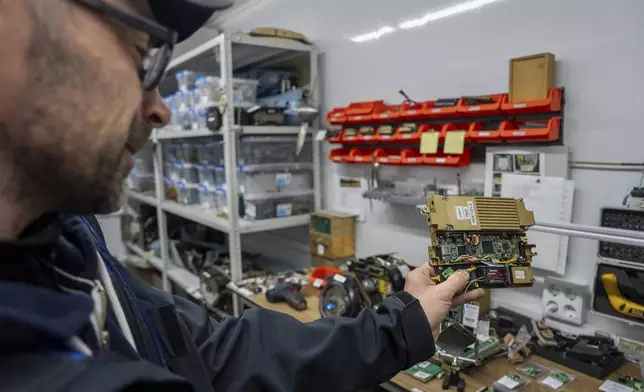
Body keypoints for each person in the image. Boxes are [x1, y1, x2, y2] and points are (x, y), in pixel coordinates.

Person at [0, 1, 485, 391]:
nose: (160, 110)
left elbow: (209, 352)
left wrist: (402, 324)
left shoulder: (64, 241)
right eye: (141, 55)